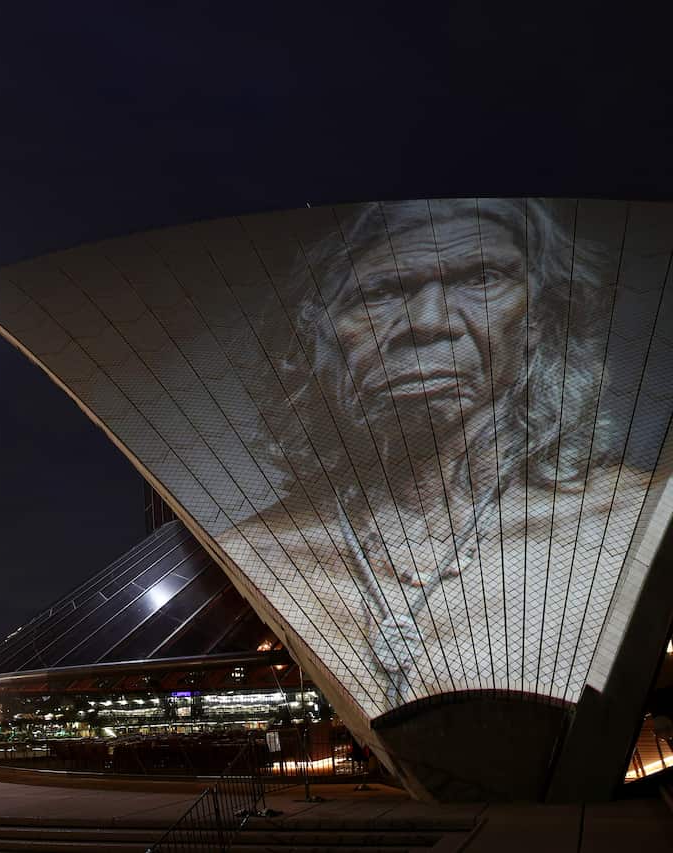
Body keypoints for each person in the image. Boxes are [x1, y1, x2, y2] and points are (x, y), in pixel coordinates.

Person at [214, 198, 668, 713]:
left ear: (538, 319)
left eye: (481, 279)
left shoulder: (639, 519)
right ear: (319, 334)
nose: (429, 324)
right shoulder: (257, 551)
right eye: (381, 292)